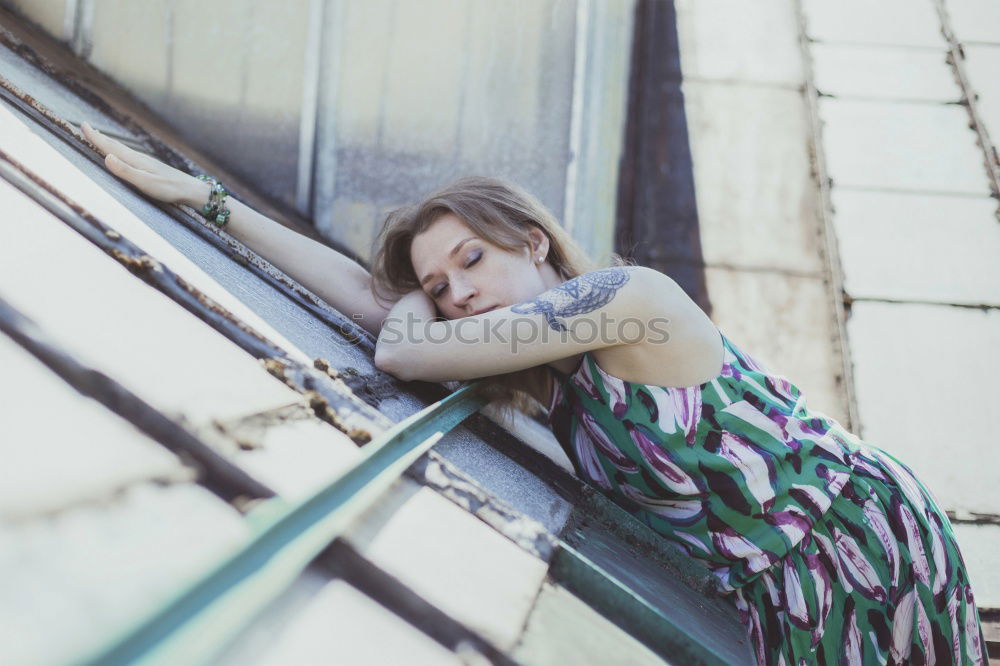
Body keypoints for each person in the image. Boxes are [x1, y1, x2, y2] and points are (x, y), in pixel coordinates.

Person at [83, 122, 987, 665]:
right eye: (440, 285)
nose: (457, 292)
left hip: (856, 542)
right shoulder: (542, 377)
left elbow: (399, 343)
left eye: (471, 259)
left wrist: (411, 320)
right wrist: (208, 203)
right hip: (778, 589)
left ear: (533, 242)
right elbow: (374, 302)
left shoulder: (627, 300)